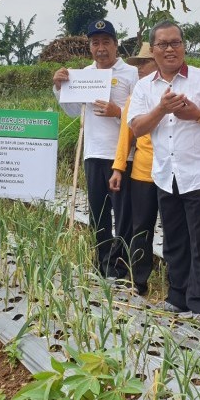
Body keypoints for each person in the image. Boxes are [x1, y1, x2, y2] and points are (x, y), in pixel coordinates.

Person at [127, 21, 200, 325]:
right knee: (173, 240)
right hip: (165, 173)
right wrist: (162, 109)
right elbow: (136, 127)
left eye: (175, 43)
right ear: (153, 51)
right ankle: (177, 296)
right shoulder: (144, 87)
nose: (170, 49)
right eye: (163, 44)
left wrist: (197, 114)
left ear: (184, 46)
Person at [53, 19, 138, 279]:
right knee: (98, 214)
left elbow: (140, 116)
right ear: (90, 48)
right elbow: (70, 110)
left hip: (123, 156)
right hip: (93, 154)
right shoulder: (84, 75)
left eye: (106, 42)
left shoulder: (131, 75)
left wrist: (117, 112)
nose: (101, 48)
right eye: (95, 43)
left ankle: (122, 268)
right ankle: (102, 265)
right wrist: (59, 87)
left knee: (124, 215)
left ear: (116, 45)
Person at [109, 42, 158, 296]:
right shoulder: (135, 96)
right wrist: (118, 168)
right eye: (137, 64)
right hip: (142, 171)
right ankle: (139, 280)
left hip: (174, 173)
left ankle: (178, 286)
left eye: (145, 63)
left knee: (174, 232)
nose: (140, 69)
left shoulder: (176, 92)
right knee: (142, 229)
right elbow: (124, 137)